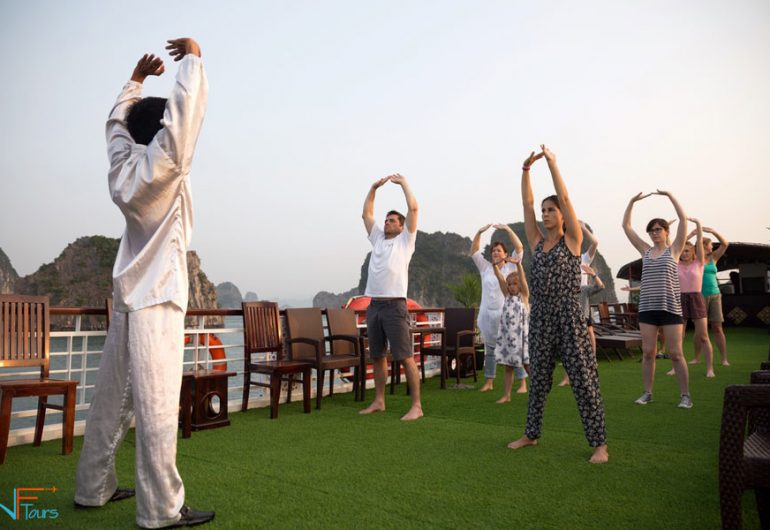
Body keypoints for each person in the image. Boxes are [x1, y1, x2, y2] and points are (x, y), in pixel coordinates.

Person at [74, 39, 215, 528]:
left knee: (111, 398)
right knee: (156, 406)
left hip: (128, 298)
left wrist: (134, 80)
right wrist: (193, 58)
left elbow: (116, 125)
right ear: (159, 133)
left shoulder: (122, 166)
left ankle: (94, 486)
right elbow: (184, 119)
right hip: (158, 299)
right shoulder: (166, 164)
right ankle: (161, 509)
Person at [507, 146, 608, 464]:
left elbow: (565, 196)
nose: (546, 213)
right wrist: (525, 172)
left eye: (552, 210)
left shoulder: (573, 241)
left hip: (568, 315)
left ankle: (600, 444)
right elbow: (526, 204)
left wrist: (551, 164)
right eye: (544, 210)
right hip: (540, 317)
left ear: (563, 216)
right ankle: (531, 434)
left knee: (582, 378)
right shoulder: (537, 242)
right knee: (538, 380)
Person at [359, 174, 423, 421]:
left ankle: (416, 406)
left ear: (401, 225)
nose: (386, 222)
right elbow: (366, 214)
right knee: (377, 355)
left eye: (392, 220)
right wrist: (373, 188)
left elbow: (414, 207)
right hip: (374, 305)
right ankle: (379, 401)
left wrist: (404, 183)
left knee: (405, 356)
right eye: (385, 219)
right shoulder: (377, 239)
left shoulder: (406, 241)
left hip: (395, 306)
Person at [622, 191, 692, 409]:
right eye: (651, 231)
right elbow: (627, 227)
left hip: (670, 308)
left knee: (676, 354)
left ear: (666, 231)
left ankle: (685, 396)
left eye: (658, 230)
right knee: (648, 352)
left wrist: (671, 196)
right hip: (648, 309)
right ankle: (647, 393)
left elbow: (683, 220)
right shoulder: (645, 250)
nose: (654, 234)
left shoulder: (675, 250)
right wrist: (631, 202)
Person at [471, 223, 524, 393]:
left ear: (506, 254)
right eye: (493, 251)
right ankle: (489, 382)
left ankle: (522, 382)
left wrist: (508, 230)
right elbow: (474, 252)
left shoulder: (511, 267)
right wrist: (479, 232)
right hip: (487, 315)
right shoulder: (485, 267)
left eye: (499, 250)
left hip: (506, 314)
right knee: (490, 349)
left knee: (513, 347)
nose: (495, 253)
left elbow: (520, 247)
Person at [677, 218, 715, 377]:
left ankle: (710, 369)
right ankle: (675, 367)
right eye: (682, 251)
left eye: (687, 250)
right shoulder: (676, 264)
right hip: (680, 299)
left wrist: (698, 225)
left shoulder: (699, 262)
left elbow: (699, 242)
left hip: (696, 298)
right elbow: (677, 243)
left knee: (703, 336)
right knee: (678, 337)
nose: (684, 253)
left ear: (693, 252)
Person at [492, 256, 530, 402]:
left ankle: (538, 394)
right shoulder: (507, 295)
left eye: (514, 284)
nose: (511, 286)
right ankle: (506, 395)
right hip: (508, 339)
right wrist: (495, 266)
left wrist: (518, 264)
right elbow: (500, 278)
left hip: (523, 339)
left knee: (528, 365)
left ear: (519, 285)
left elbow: (523, 278)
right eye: (510, 284)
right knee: (508, 367)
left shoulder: (524, 296)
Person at [560, 264, 605, 387]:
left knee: (582, 350)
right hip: (569, 321)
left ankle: (587, 375)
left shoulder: (584, 289)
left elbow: (601, 286)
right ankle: (566, 378)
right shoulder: (564, 291)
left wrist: (593, 274)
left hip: (582, 320)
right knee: (568, 349)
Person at [692, 226, 730, 366]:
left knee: (717, 327)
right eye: (709, 245)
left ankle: (724, 359)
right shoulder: (694, 259)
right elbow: (679, 247)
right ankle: (696, 358)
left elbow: (725, 243)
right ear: (702, 247)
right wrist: (691, 235)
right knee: (700, 330)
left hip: (715, 295)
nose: (712, 248)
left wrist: (713, 231)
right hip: (699, 296)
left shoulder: (714, 258)